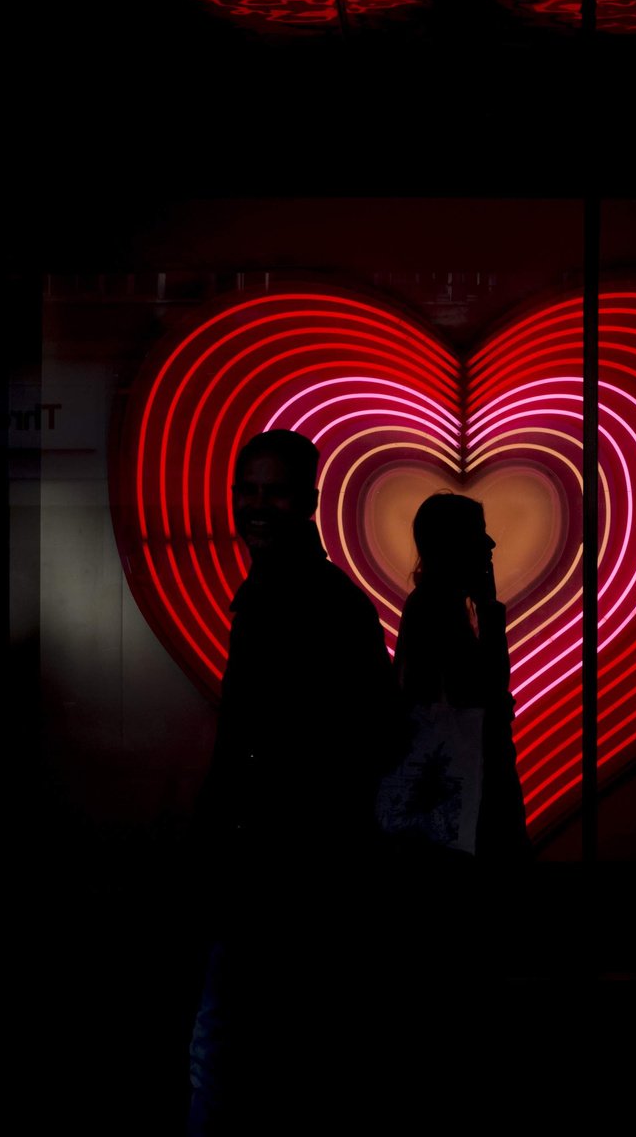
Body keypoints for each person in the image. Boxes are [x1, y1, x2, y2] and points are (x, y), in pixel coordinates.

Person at [186, 429, 402, 1133]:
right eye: (246, 491)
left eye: (272, 492)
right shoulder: (288, 595)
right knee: (259, 1051)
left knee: (232, 1053)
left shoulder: (315, 603)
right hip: (276, 870)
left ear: (308, 501)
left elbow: (367, 735)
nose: (256, 506)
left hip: (284, 874)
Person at [391, 491, 531, 865]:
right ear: (451, 545)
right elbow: (485, 695)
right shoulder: (436, 609)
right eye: (477, 533)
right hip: (468, 800)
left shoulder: (432, 604)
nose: (490, 543)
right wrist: (488, 608)